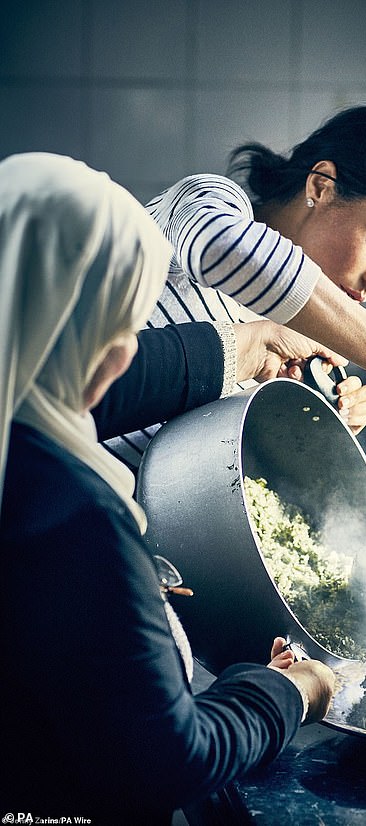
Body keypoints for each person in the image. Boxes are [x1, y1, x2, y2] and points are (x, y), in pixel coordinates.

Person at [0, 152, 336, 824]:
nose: (130, 349)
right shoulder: (73, 519)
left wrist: (234, 350)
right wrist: (285, 691)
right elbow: (168, 762)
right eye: (120, 324)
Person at [106, 104, 366, 470]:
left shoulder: (302, 351)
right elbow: (217, 247)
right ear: (321, 186)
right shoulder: (208, 200)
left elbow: (199, 472)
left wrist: (301, 432)